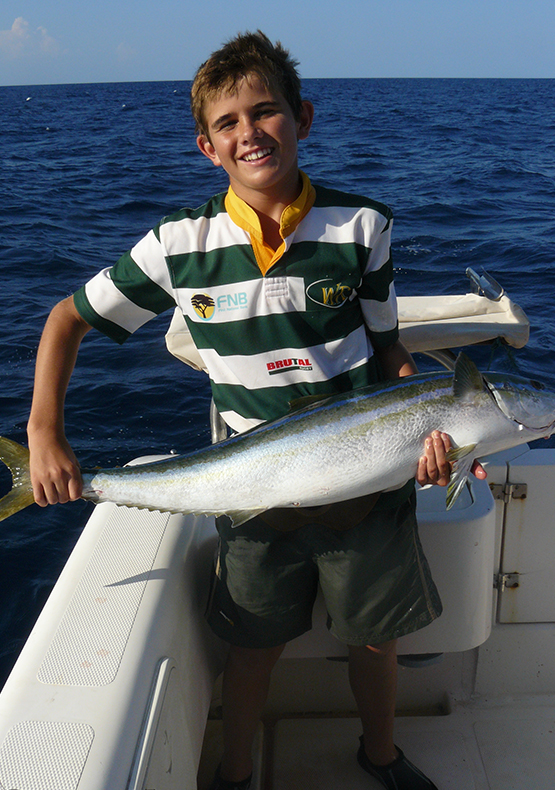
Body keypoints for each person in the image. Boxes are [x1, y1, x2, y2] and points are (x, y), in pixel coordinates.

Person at [27, 31, 485, 790]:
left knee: (375, 643)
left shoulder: (360, 226)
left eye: (265, 112)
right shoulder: (178, 244)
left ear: (302, 117)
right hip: (251, 490)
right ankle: (236, 772)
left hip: (365, 487)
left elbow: (388, 349)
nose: (250, 133)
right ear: (206, 147)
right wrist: (45, 434)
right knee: (252, 650)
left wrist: (433, 432)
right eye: (229, 123)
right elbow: (64, 322)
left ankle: (379, 754)